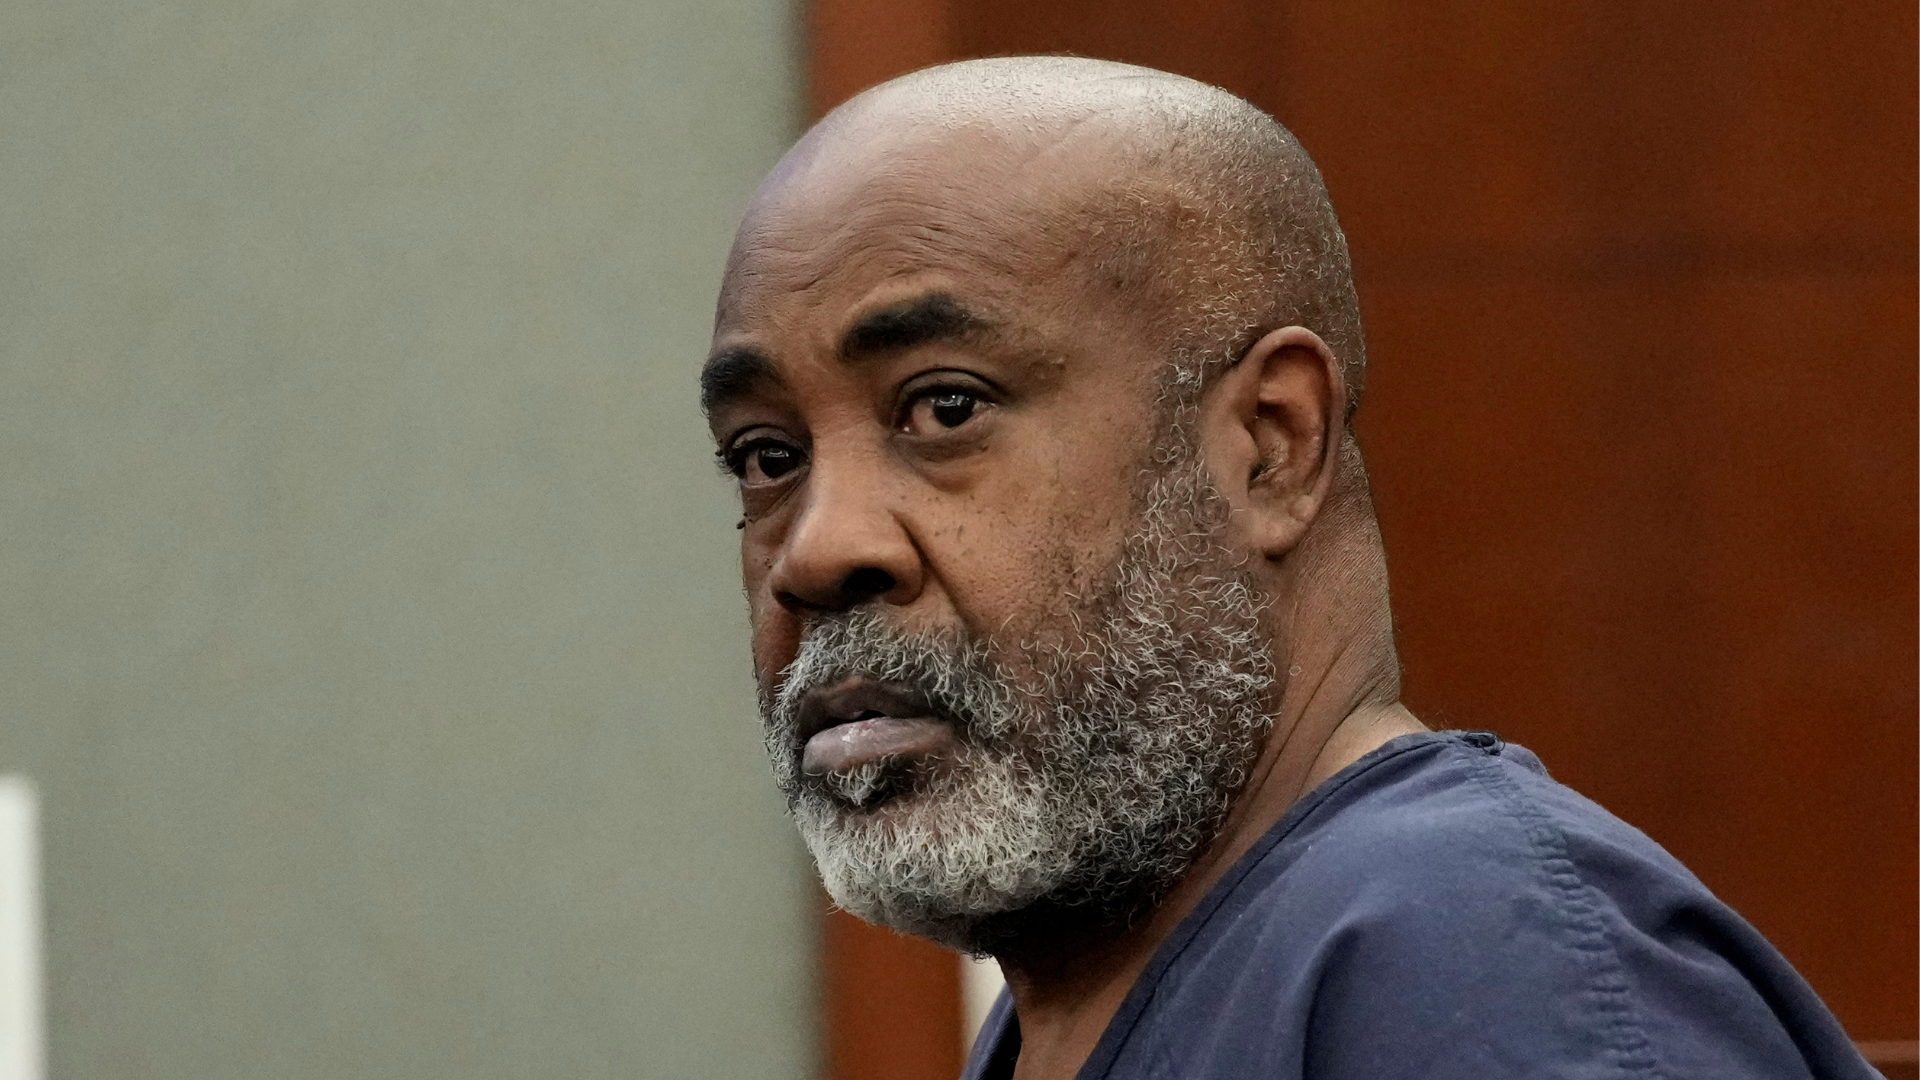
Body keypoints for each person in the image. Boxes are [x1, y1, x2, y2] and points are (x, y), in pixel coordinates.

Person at [697, 56, 1879, 1080]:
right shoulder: (1067, 1003)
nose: (818, 550)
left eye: (945, 408)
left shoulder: (1477, 960)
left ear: (1271, 446)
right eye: (767, 457)